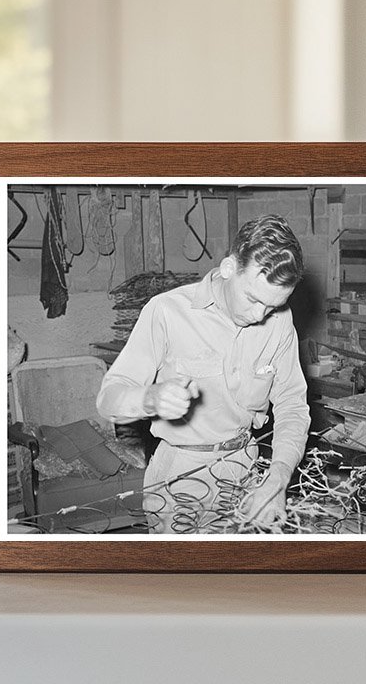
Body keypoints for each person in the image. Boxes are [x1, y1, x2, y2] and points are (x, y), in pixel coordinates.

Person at [96, 215, 310, 532]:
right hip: (180, 477)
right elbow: (108, 399)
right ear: (228, 269)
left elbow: (292, 405)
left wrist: (278, 477)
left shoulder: (278, 320)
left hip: (245, 467)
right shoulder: (166, 311)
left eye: (273, 305)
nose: (259, 315)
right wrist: (150, 398)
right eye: (253, 299)